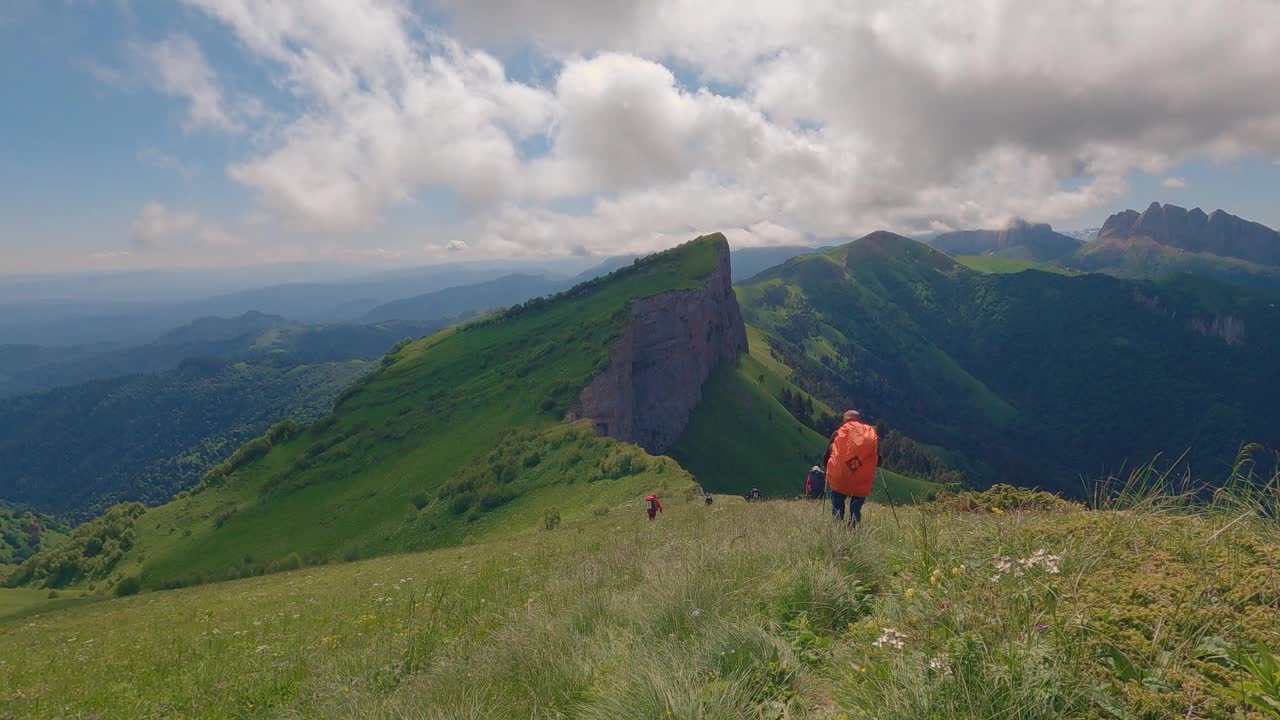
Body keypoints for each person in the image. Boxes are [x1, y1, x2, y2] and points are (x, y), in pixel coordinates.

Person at [824, 410, 879, 526]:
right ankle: (853, 530)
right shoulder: (868, 435)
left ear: (845, 420)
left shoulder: (838, 433)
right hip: (860, 480)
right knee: (855, 510)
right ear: (858, 420)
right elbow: (878, 458)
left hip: (840, 478)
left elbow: (826, 456)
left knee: (837, 506)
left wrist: (828, 468)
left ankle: (837, 529)